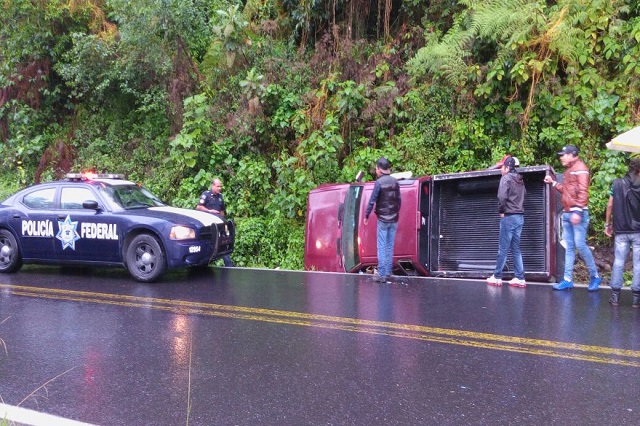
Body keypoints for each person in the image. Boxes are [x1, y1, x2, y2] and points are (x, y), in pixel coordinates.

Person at [544, 145, 601, 291]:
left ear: (572, 154)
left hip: (577, 213)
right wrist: (554, 183)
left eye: (564, 154)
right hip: (568, 212)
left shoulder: (581, 168)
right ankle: (568, 280)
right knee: (570, 247)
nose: (561, 157)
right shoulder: (569, 170)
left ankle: (595, 276)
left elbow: (583, 191)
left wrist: (578, 211)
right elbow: (567, 191)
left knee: (580, 245)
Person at [604, 157, 640, 307]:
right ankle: (636, 299)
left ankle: (615, 296)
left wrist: (607, 224)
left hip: (620, 230)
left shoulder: (617, 183)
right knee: (638, 264)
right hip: (638, 230)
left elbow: (610, 204)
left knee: (618, 262)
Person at [487, 156, 527, 287]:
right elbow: (525, 195)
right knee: (516, 248)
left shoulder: (506, 178)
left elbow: (501, 196)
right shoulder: (520, 180)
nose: (500, 170)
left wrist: (501, 210)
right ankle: (520, 278)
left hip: (509, 216)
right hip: (519, 217)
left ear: (507, 168)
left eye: (502, 167)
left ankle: (497, 276)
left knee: (503, 248)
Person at [364, 157, 401, 283]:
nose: (375, 170)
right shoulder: (395, 182)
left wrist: (366, 215)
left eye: (376, 168)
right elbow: (399, 201)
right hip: (394, 219)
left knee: (381, 246)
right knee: (390, 246)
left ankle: (381, 274)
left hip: (383, 219)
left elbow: (372, 200)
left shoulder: (379, 183)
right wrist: (395, 213)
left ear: (380, 169)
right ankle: (389, 272)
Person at [196, 178, 234, 267]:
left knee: (223, 243)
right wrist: (210, 211)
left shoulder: (220, 197)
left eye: (220, 186)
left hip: (219, 225)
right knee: (209, 245)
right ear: (213, 186)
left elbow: (222, 211)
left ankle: (229, 266)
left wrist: (224, 224)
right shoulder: (206, 195)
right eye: (218, 186)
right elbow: (199, 207)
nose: (219, 188)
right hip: (208, 226)